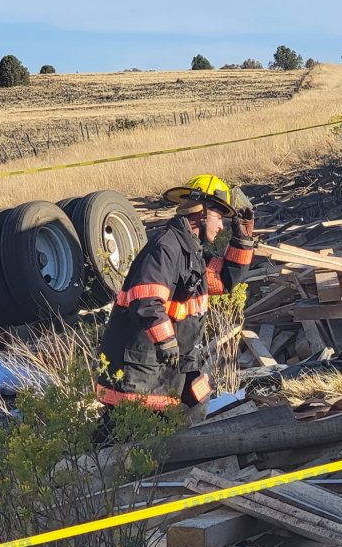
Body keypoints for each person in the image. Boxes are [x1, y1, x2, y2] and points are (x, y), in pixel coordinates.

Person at [96, 174, 254, 424]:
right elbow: (146, 299)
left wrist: (242, 237)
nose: (221, 227)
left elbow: (224, 279)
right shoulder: (166, 248)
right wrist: (166, 340)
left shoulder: (192, 251)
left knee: (196, 401)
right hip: (144, 367)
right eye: (218, 217)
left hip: (176, 362)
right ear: (201, 212)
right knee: (133, 433)